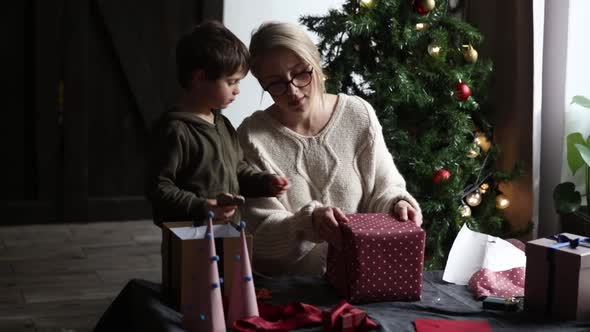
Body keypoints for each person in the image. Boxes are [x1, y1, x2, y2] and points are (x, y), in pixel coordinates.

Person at [237, 21, 423, 276]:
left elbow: (385, 187)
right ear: (261, 83)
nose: (293, 90)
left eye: (301, 73)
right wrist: (307, 224)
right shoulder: (252, 137)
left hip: (362, 282)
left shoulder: (358, 114)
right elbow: (259, 237)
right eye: (276, 83)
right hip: (290, 293)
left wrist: (396, 204)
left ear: (316, 61)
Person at [146, 20, 290, 227]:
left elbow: (237, 170)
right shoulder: (175, 130)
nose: (237, 90)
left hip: (228, 229)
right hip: (189, 238)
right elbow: (158, 187)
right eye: (231, 82)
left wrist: (265, 183)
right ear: (200, 78)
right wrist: (200, 206)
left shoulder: (223, 124)